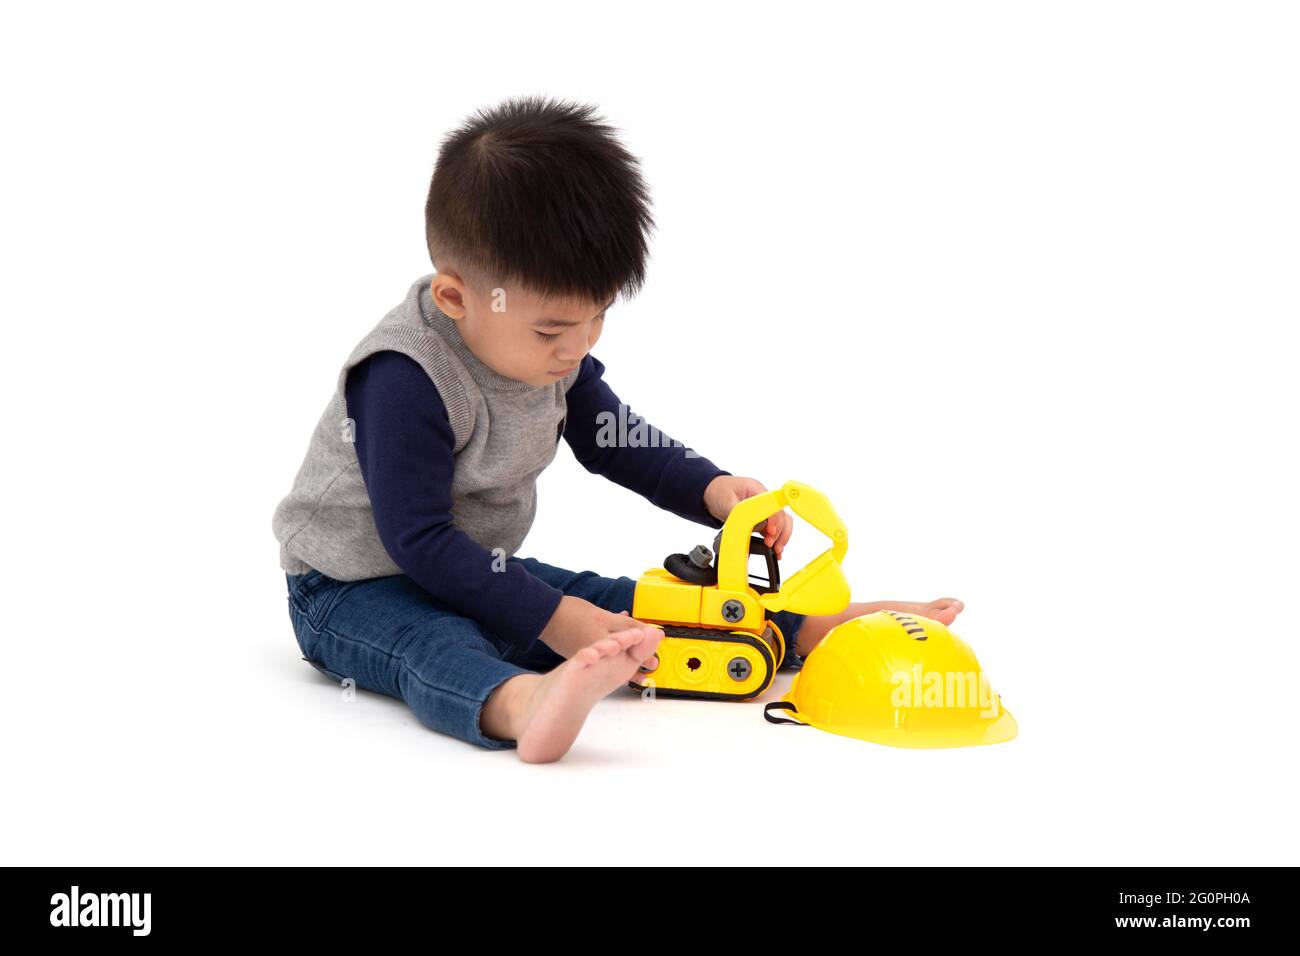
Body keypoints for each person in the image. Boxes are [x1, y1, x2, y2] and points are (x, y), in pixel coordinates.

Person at [272, 96, 963, 763]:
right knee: (436, 640)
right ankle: (521, 704)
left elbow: (614, 439)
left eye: (596, 317)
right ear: (456, 297)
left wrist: (716, 491)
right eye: (551, 329)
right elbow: (418, 542)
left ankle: (799, 632)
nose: (576, 348)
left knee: (614, 598)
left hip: (470, 565)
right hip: (350, 587)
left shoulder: (547, 355)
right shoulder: (403, 376)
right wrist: (552, 621)